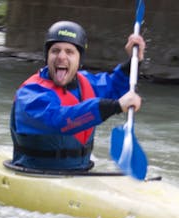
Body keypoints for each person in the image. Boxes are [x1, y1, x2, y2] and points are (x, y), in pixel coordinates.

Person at [10, 20, 145, 171]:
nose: (61, 57)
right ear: (46, 56)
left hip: (81, 171)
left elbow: (114, 85)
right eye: (55, 50)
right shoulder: (30, 93)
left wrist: (134, 61)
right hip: (34, 172)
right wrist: (115, 106)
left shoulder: (86, 82)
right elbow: (58, 120)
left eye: (69, 51)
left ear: (79, 59)